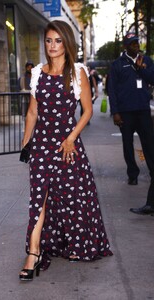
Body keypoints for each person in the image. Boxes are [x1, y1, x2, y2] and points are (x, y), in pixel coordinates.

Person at [19, 20, 113, 281]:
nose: (52, 45)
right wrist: (26, 144)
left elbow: (88, 110)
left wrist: (71, 137)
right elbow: (32, 112)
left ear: (67, 43)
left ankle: (77, 244)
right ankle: (34, 253)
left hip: (67, 146)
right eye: (49, 40)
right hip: (41, 146)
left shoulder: (77, 72)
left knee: (72, 198)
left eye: (58, 41)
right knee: (39, 200)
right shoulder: (38, 72)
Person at [108, 32, 154, 215]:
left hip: (142, 110)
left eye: (136, 43)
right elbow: (112, 89)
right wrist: (115, 112)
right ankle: (132, 174)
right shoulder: (117, 64)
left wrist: (141, 68)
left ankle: (152, 172)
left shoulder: (146, 60)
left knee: (149, 144)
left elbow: (152, 79)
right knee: (127, 144)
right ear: (125, 46)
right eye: (132, 44)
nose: (135, 46)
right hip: (125, 112)